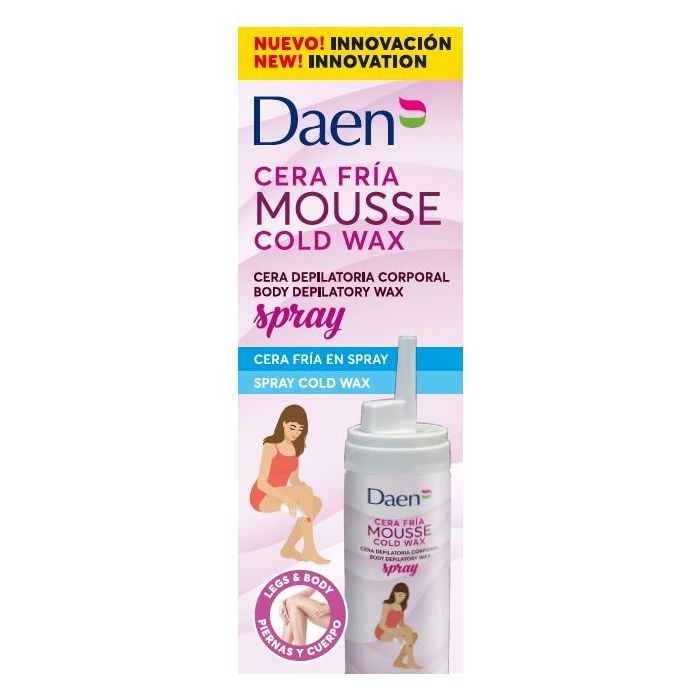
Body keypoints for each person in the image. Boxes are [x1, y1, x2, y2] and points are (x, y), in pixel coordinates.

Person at [249, 404, 329, 564]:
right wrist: (289, 499)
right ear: (284, 423)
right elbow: (262, 483)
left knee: (316, 503)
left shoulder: (295, 448)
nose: (296, 433)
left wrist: (303, 486)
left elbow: (294, 480)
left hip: (280, 493)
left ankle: (289, 548)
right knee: (305, 495)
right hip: (262, 496)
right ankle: (309, 549)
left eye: (300, 430)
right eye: (293, 427)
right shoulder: (270, 446)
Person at [374, 582, 422, 669]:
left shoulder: (401, 608)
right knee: (408, 633)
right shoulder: (387, 606)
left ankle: (398, 661)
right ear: (395, 593)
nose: (401, 598)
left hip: (392, 631)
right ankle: (411, 661)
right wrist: (397, 635)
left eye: (404, 597)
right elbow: (382, 625)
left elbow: (401, 624)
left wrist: (407, 627)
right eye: (400, 595)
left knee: (414, 636)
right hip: (382, 632)